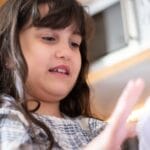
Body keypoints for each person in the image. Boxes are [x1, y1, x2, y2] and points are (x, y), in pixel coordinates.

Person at [0, 0, 145, 149]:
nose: (66, 53)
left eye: (74, 44)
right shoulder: (7, 118)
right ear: (8, 54)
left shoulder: (96, 129)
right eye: (49, 38)